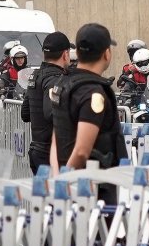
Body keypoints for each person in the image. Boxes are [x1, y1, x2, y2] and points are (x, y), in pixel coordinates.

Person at [53, 23, 126, 204]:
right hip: (91, 191)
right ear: (106, 53)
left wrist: (58, 177)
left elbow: (55, 137)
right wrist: (63, 183)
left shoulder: (63, 85)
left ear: (77, 52)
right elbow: (82, 151)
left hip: (68, 185)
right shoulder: (92, 94)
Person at [23, 31, 71, 175]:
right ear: (65, 54)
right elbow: (51, 113)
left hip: (37, 151)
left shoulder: (35, 76)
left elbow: (25, 113)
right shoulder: (55, 79)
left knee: (43, 197)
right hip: (50, 155)